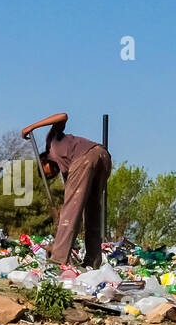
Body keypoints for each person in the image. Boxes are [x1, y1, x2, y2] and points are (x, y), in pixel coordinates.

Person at [21, 112, 112, 268]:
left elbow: (63, 116)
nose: (51, 174)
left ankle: (58, 258)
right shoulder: (66, 170)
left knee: (70, 212)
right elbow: (73, 203)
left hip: (85, 157)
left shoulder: (52, 141)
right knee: (91, 213)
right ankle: (93, 261)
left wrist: (32, 127)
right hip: (102, 157)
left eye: (47, 172)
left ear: (44, 162)